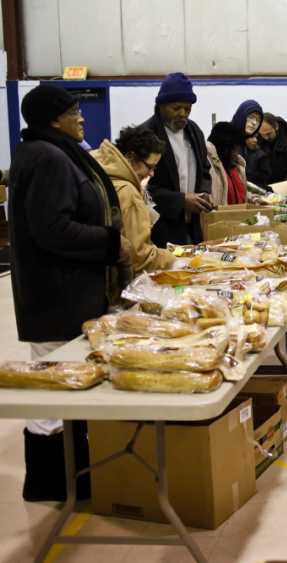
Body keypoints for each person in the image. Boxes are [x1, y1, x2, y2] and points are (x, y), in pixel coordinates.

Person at [8, 84, 132, 501]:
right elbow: (52, 229)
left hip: (65, 291)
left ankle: (74, 477)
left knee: (65, 388)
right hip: (55, 296)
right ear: (52, 119)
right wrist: (111, 243)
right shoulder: (47, 158)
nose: (82, 117)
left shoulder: (52, 152)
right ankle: (48, 483)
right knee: (51, 388)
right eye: (74, 111)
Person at [142, 72, 213, 246]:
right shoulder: (146, 135)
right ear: (161, 105)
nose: (183, 114)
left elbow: (204, 169)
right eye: (176, 108)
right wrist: (180, 200)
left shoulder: (194, 131)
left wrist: (204, 194)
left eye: (187, 109)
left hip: (193, 224)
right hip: (161, 227)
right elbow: (142, 187)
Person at [92, 125, 175, 274]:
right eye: (149, 167)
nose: (152, 174)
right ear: (130, 157)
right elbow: (139, 257)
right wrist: (175, 260)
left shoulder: (98, 171)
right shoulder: (127, 192)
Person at [247, 112, 287, 187]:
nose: (266, 138)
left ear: (276, 126)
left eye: (269, 134)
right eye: (262, 134)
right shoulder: (258, 139)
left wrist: (286, 185)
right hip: (274, 185)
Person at [208, 122, 248, 205]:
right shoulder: (210, 166)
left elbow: (240, 192)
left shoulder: (236, 167)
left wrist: (254, 199)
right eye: (234, 150)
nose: (236, 154)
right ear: (224, 148)